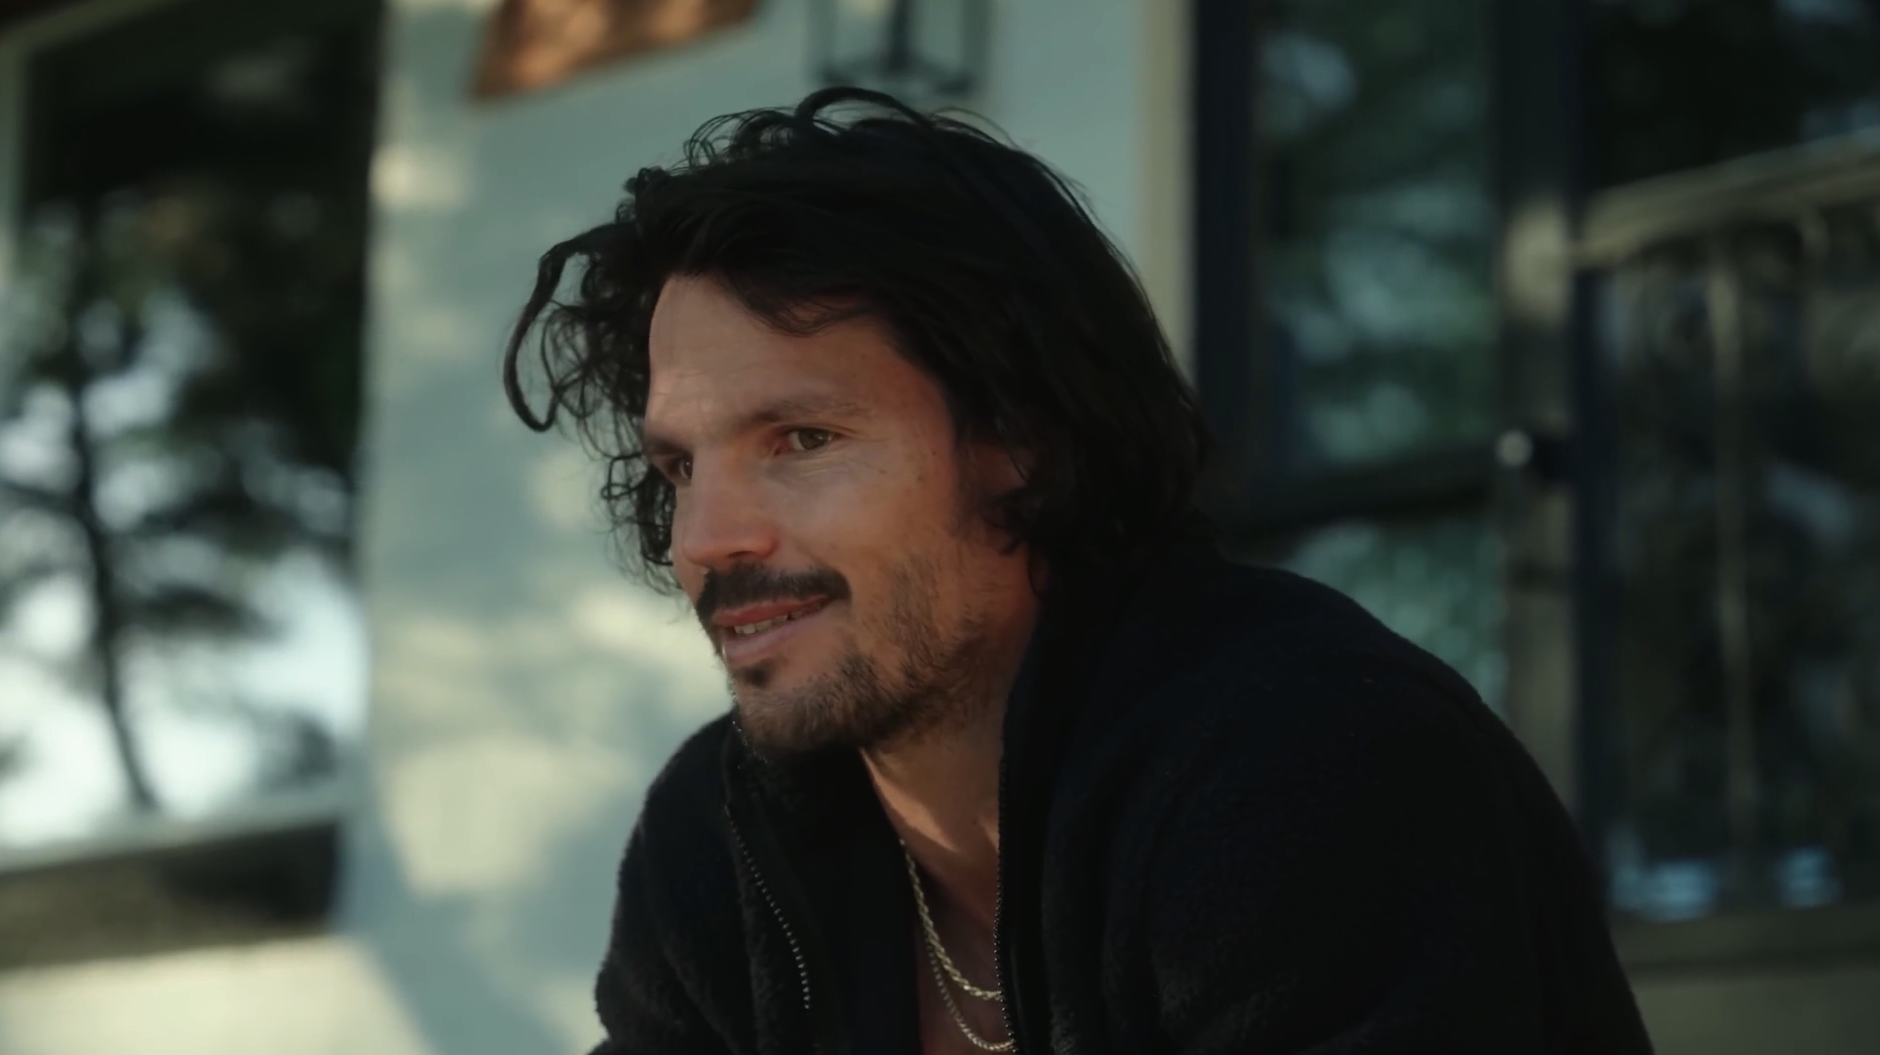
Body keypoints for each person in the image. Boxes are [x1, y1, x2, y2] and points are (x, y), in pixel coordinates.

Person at [503, 87, 1653, 1055]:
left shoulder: (1309, 762)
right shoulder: (720, 838)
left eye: (801, 439)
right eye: (679, 465)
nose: (706, 537)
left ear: (1024, 436)